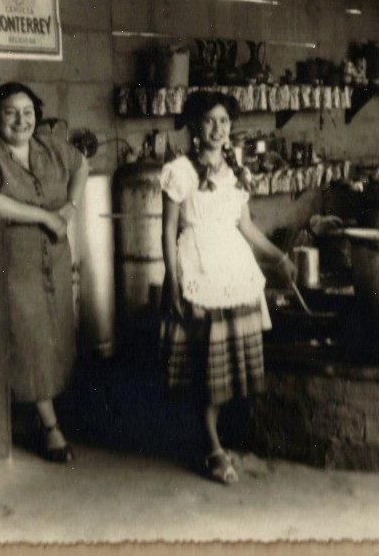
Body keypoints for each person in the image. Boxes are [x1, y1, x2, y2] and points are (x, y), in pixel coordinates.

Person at [160, 90, 297, 484]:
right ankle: (212, 448)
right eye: (209, 121)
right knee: (208, 367)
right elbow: (168, 231)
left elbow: (247, 227)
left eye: (224, 121)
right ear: (194, 127)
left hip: (234, 269)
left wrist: (279, 257)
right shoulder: (179, 171)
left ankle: (215, 440)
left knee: (229, 367)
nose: (218, 129)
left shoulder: (236, 170)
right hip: (198, 267)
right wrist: (173, 279)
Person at [0, 82, 87, 463]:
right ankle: (50, 427)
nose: (21, 120)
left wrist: (70, 209)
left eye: (28, 112)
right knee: (29, 336)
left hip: (55, 255)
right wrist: (46, 215)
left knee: (57, 331)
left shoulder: (49, 147)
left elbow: (81, 165)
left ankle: (46, 412)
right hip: (16, 257)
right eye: (11, 112)